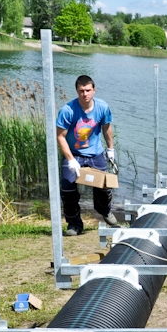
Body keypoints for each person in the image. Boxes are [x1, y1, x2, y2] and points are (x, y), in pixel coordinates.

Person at [56, 74, 117, 235]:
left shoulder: (102, 107)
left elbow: (106, 128)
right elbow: (60, 136)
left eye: (88, 90)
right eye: (81, 90)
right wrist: (70, 160)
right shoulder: (68, 110)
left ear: (94, 90)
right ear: (77, 91)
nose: (85, 94)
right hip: (74, 154)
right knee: (68, 190)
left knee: (103, 187)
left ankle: (105, 211)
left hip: (95, 154)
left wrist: (110, 149)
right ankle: (74, 225)